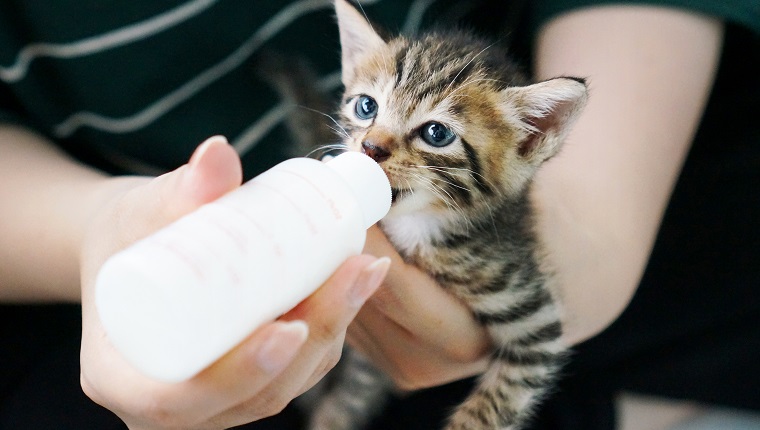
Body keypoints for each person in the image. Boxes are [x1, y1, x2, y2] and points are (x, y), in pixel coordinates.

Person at [0, 1, 757, 430]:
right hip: (71, 222)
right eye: (364, 111)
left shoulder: (513, 160)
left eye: (430, 134)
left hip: (606, 121)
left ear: (532, 140)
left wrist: (595, 232)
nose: (372, 143)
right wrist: (94, 223)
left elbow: (537, 334)